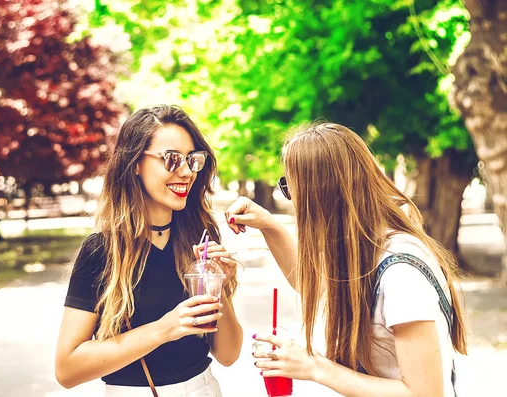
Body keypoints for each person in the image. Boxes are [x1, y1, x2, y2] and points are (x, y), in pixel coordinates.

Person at [226, 122, 467, 396]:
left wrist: (315, 367)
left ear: (322, 196)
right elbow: (312, 283)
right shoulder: (365, 251)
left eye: (291, 190)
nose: (294, 203)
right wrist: (269, 226)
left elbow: (425, 393)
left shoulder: (401, 273)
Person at [55, 105, 243, 397]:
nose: (185, 172)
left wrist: (221, 289)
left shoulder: (198, 240)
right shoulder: (103, 250)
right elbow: (67, 369)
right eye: (171, 159)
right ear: (135, 164)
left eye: (193, 160)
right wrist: (164, 329)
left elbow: (228, 354)